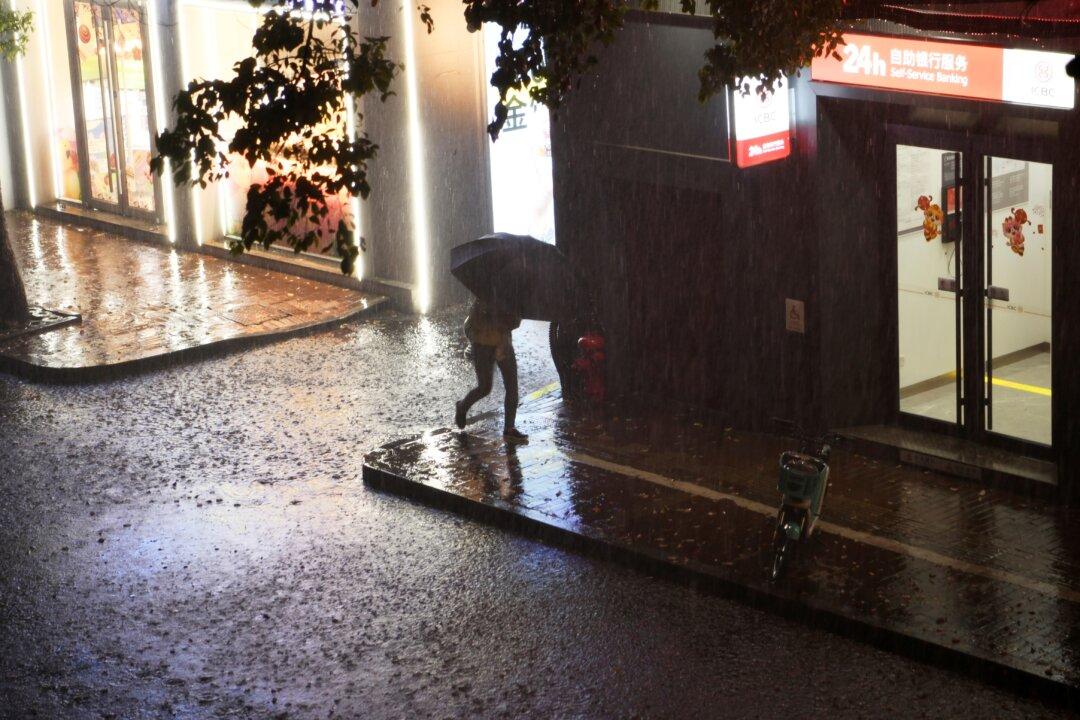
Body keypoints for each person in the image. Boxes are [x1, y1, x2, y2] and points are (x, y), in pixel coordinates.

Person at [455, 300, 528, 443]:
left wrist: (506, 326)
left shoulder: (512, 294)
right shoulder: (483, 297)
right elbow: (476, 321)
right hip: (482, 343)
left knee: (512, 386)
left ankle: (509, 428)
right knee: (484, 387)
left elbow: (516, 320)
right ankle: (462, 407)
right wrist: (497, 324)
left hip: (503, 342)